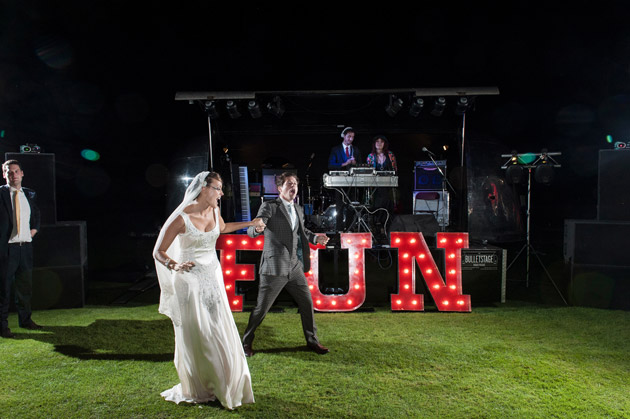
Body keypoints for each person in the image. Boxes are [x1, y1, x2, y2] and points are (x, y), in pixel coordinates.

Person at [153, 171, 263, 409]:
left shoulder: (214, 210)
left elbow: (222, 228)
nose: (221, 194)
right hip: (189, 280)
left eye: (222, 189)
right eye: (218, 188)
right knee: (199, 333)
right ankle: (201, 384)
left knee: (218, 328)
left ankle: (223, 381)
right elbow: (158, 251)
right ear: (204, 188)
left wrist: (250, 223)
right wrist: (175, 265)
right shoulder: (182, 218)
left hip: (212, 276)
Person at [242, 172, 330, 357]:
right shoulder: (270, 206)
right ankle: (246, 343)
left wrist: (316, 238)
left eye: (295, 184)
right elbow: (255, 226)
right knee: (261, 309)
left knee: (307, 303)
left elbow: (302, 231)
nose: (293, 186)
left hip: (294, 266)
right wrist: (256, 228)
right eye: (289, 184)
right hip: (274, 268)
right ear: (280, 188)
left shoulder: (298, 208)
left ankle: (312, 341)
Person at [0, 160, 41, 338]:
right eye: (9, 172)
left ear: (22, 173)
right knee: (3, 289)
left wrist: (34, 230)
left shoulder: (29, 195)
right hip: (7, 250)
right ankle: (2, 327)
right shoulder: (1, 194)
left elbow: (37, 214)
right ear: (4, 174)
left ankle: (26, 320)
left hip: (25, 249)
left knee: (24, 288)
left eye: (16, 171)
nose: (13, 175)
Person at [328, 127, 363, 231]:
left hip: (352, 182)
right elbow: (331, 165)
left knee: (351, 207)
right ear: (344, 136)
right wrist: (345, 163)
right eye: (349, 136)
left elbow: (361, 166)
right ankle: (338, 230)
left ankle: (349, 229)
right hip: (340, 183)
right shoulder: (335, 149)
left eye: (352, 137)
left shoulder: (355, 150)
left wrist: (355, 163)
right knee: (340, 206)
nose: (351, 139)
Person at [366, 135, 398, 236]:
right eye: (377, 142)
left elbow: (395, 170)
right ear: (374, 144)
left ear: (384, 144)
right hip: (375, 187)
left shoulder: (390, 155)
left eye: (381, 142)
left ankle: (387, 228)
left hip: (388, 186)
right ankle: (377, 227)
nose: (379, 144)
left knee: (388, 205)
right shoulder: (371, 156)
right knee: (377, 205)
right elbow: (368, 172)